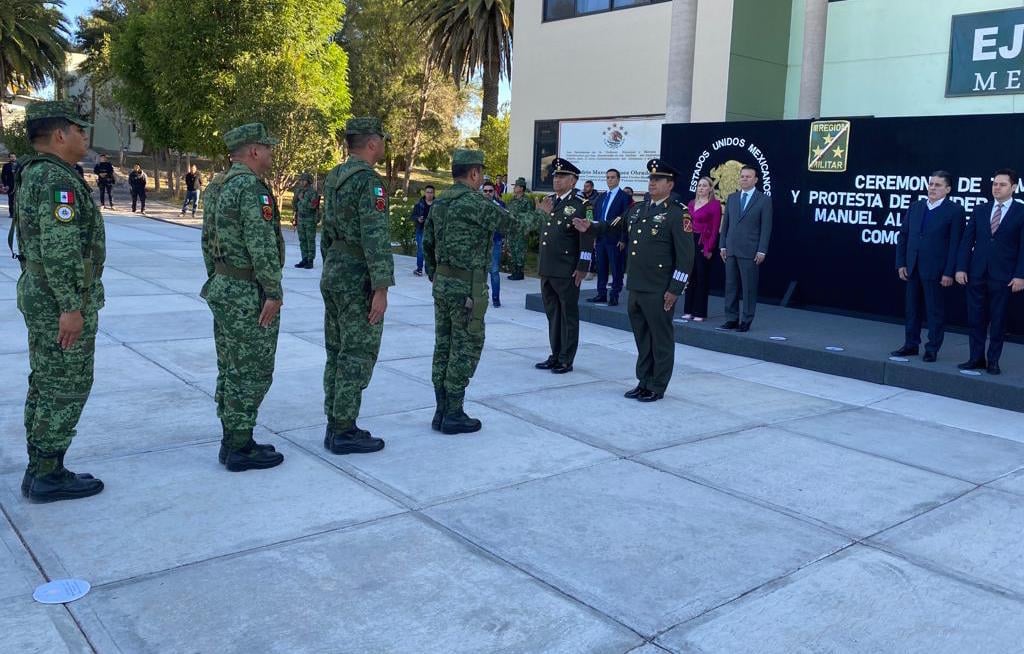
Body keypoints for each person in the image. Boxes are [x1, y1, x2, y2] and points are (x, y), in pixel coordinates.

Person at [10, 101, 105, 502]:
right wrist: (71, 306)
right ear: (60, 135)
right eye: (79, 130)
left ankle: (41, 467)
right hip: (57, 300)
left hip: (41, 292)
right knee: (66, 384)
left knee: (46, 381)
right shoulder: (55, 181)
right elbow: (60, 248)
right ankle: (48, 472)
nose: (85, 137)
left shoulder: (38, 173)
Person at [424, 148, 551, 434]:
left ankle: (441, 410)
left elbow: (427, 244)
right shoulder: (475, 203)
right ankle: (454, 413)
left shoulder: (441, 203)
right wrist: (541, 214)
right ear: (473, 173)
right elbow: (513, 225)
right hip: (468, 286)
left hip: (443, 284)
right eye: (481, 172)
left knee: (443, 346)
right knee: (466, 346)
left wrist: (436, 274)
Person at [200, 123, 285, 471]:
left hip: (225, 285)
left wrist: (218, 277)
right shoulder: (250, 188)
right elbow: (260, 244)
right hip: (248, 292)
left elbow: (207, 240)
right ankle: (239, 447)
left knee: (230, 368)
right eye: (267, 147)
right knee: (251, 370)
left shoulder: (218, 186)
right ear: (253, 151)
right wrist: (273, 290)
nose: (270, 153)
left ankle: (234, 439)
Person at [575, 159, 694, 402]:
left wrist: (675, 289)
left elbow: (686, 257)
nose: (652, 183)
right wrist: (591, 227)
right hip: (637, 286)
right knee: (641, 336)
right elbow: (612, 226)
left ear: (670, 184)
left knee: (660, 339)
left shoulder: (677, 213)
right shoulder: (638, 209)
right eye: (650, 179)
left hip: (659, 289)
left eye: (658, 179)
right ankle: (643, 381)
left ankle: (657, 385)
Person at [319, 117, 393, 454]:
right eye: (382, 141)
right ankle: (344, 429)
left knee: (336, 351)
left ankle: (335, 423)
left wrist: (331, 267)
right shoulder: (369, 182)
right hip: (357, 279)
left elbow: (327, 231)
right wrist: (381, 288)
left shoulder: (334, 177)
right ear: (372, 143)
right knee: (357, 353)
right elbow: (375, 237)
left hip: (335, 272)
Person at [955, 168, 1024, 375]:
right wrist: (960, 268)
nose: (997, 187)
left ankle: (993, 361)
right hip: (976, 273)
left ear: (1014, 187)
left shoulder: (1021, 212)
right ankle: (976, 358)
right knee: (975, 318)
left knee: (998, 319)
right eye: (995, 183)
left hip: (1004, 276)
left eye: (1002, 184)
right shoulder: (980, 210)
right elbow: (967, 241)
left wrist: (1020, 274)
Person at [891, 171, 965, 361]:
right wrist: (901, 263)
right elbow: (904, 236)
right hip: (912, 267)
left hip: (937, 270)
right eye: (931, 184)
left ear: (948, 189)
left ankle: (932, 349)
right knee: (912, 309)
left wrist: (949, 272)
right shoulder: (916, 207)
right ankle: (911, 344)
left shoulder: (954, 210)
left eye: (938, 185)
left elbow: (956, 243)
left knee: (934, 311)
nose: (932, 188)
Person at [535, 158, 595, 373]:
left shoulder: (582, 205)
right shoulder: (548, 201)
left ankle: (566, 359)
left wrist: (583, 266)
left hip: (567, 269)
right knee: (553, 314)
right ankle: (555, 353)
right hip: (547, 268)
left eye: (561, 176)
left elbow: (587, 237)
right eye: (555, 176)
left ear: (573, 180)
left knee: (568, 315)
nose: (556, 179)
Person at [719, 165, 772, 332]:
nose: (744, 179)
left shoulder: (763, 200)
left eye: (748, 177)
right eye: (742, 176)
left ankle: (746, 320)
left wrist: (762, 250)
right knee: (730, 286)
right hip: (731, 249)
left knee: (749, 287)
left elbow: (766, 227)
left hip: (750, 250)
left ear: (756, 180)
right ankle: (731, 319)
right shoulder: (732, 198)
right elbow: (725, 224)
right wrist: (722, 245)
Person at [680, 176, 722, 322]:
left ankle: (700, 312)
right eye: (699, 185)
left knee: (702, 278)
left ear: (710, 188)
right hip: (690, 242)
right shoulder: (691, 203)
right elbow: (686, 224)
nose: (701, 188)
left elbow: (716, 228)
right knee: (690, 277)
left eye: (705, 186)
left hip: (704, 243)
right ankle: (688, 310)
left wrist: (709, 248)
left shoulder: (715, 205)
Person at [588, 168, 631, 306]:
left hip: (615, 239)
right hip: (601, 238)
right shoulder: (601, 197)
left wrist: (623, 239)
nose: (610, 180)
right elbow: (596, 218)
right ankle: (601, 294)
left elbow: (626, 219)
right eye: (607, 177)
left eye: (612, 177)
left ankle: (614, 295)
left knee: (616, 268)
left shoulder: (624, 197)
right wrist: (594, 237)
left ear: (618, 179)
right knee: (601, 267)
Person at [482, 181, 506, 307]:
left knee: (494, 271)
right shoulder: (477, 205)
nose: (487, 193)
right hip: (479, 242)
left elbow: (507, 221)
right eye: (485, 191)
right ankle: (479, 297)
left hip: (495, 241)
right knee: (479, 271)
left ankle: (496, 298)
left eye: (490, 191)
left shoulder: (500, 205)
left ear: (494, 192)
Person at [291, 173, 320, 269]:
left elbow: (313, 206)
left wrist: (302, 199)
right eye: (301, 180)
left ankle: (310, 260)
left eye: (304, 180)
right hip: (300, 218)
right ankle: (304, 259)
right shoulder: (299, 191)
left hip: (310, 219)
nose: (302, 182)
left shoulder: (313, 193)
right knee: (302, 240)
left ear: (309, 181)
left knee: (310, 240)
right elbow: (295, 204)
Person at [506, 177, 532, 280]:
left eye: (516, 186)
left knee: (520, 250)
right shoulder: (512, 200)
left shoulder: (526, 201)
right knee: (512, 249)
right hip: (512, 230)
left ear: (521, 188)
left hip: (521, 230)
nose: (514, 188)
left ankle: (519, 272)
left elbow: (529, 216)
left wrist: (526, 230)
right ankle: (514, 271)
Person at [410, 185, 434, 276]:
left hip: (432, 231)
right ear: (425, 193)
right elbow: (413, 216)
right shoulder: (419, 204)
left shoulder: (437, 204)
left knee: (431, 250)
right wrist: (418, 219)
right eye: (427, 192)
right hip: (421, 229)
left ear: (433, 193)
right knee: (421, 249)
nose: (429, 194)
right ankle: (419, 269)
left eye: (431, 192)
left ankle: (429, 270)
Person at [2, 153, 17, 217]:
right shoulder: (6, 166)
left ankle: (17, 213)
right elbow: (3, 176)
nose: (13, 158)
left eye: (14, 157)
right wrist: (5, 185)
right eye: (11, 157)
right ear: (9, 158)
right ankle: (11, 213)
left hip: (18, 185)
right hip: (9, 185)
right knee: (11, 199)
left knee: (17, 200)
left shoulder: (19, 165)